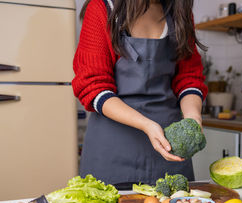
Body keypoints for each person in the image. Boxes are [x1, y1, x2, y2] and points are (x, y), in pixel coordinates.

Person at [73, 0, 208, 186]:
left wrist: (193, 118)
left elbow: (189, 78)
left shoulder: (179, 14)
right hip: (112, 153)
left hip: (168, 153)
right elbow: (94, 86)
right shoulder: (102, 8)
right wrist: (146, 125)